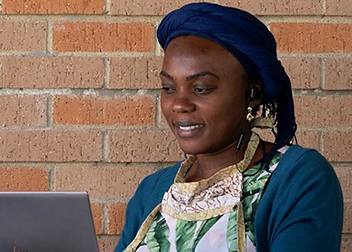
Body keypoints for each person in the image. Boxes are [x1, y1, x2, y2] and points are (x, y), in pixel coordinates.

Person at [114, 2, 343, 252]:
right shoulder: (153, 191)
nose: (178, 104)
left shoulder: (296, 179)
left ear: (253, 93)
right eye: (169, 88)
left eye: (201, 88)